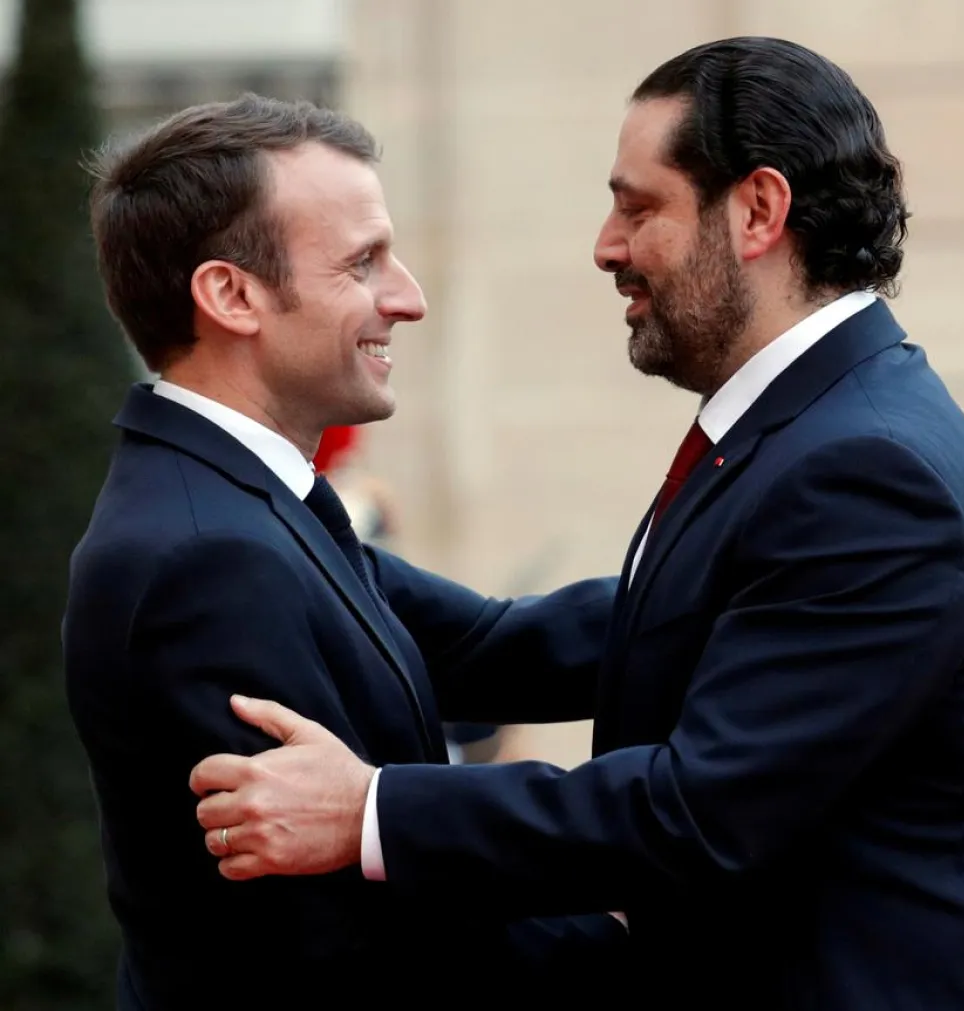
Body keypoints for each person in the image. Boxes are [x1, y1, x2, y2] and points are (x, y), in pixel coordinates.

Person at [190, 37, 964, 1011]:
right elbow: (534, 643)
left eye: (639, 208)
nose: (606, 245)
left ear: (759, 211)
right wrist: (265, 513)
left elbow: (698, 812)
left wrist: (372, 812)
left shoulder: (869, 470)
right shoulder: (811, 432)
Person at [62, 95, 625, 1011]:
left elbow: (491, 650)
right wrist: (647, 938)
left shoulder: (247, 498)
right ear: (231, 295)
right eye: (363, 262)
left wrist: (746, 579)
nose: (407, 297)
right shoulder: (206, 554)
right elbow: (341, 942)